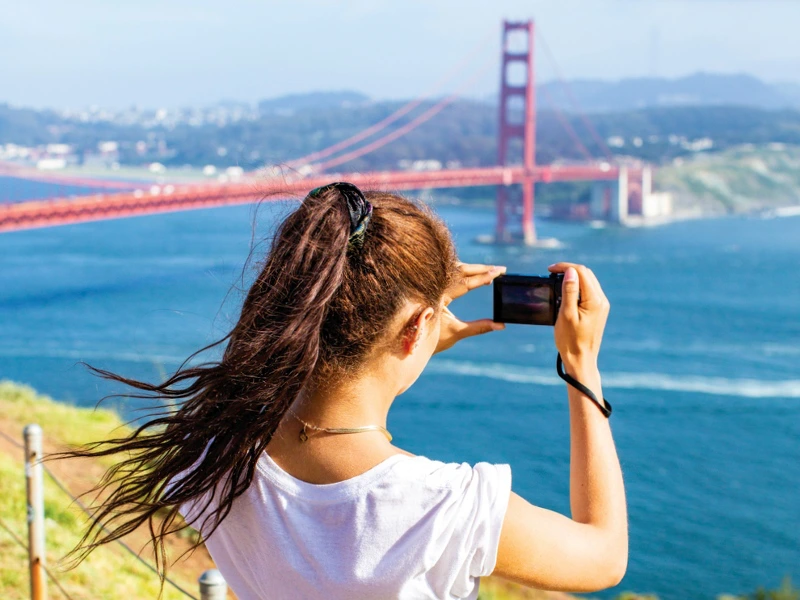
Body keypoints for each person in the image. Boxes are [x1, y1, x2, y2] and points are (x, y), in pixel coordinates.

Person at [68, 183, 627, 600]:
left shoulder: (212, 460)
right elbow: (603, 558)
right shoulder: (439, 507)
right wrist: (582, 364)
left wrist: (409, 333)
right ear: (416, 329)